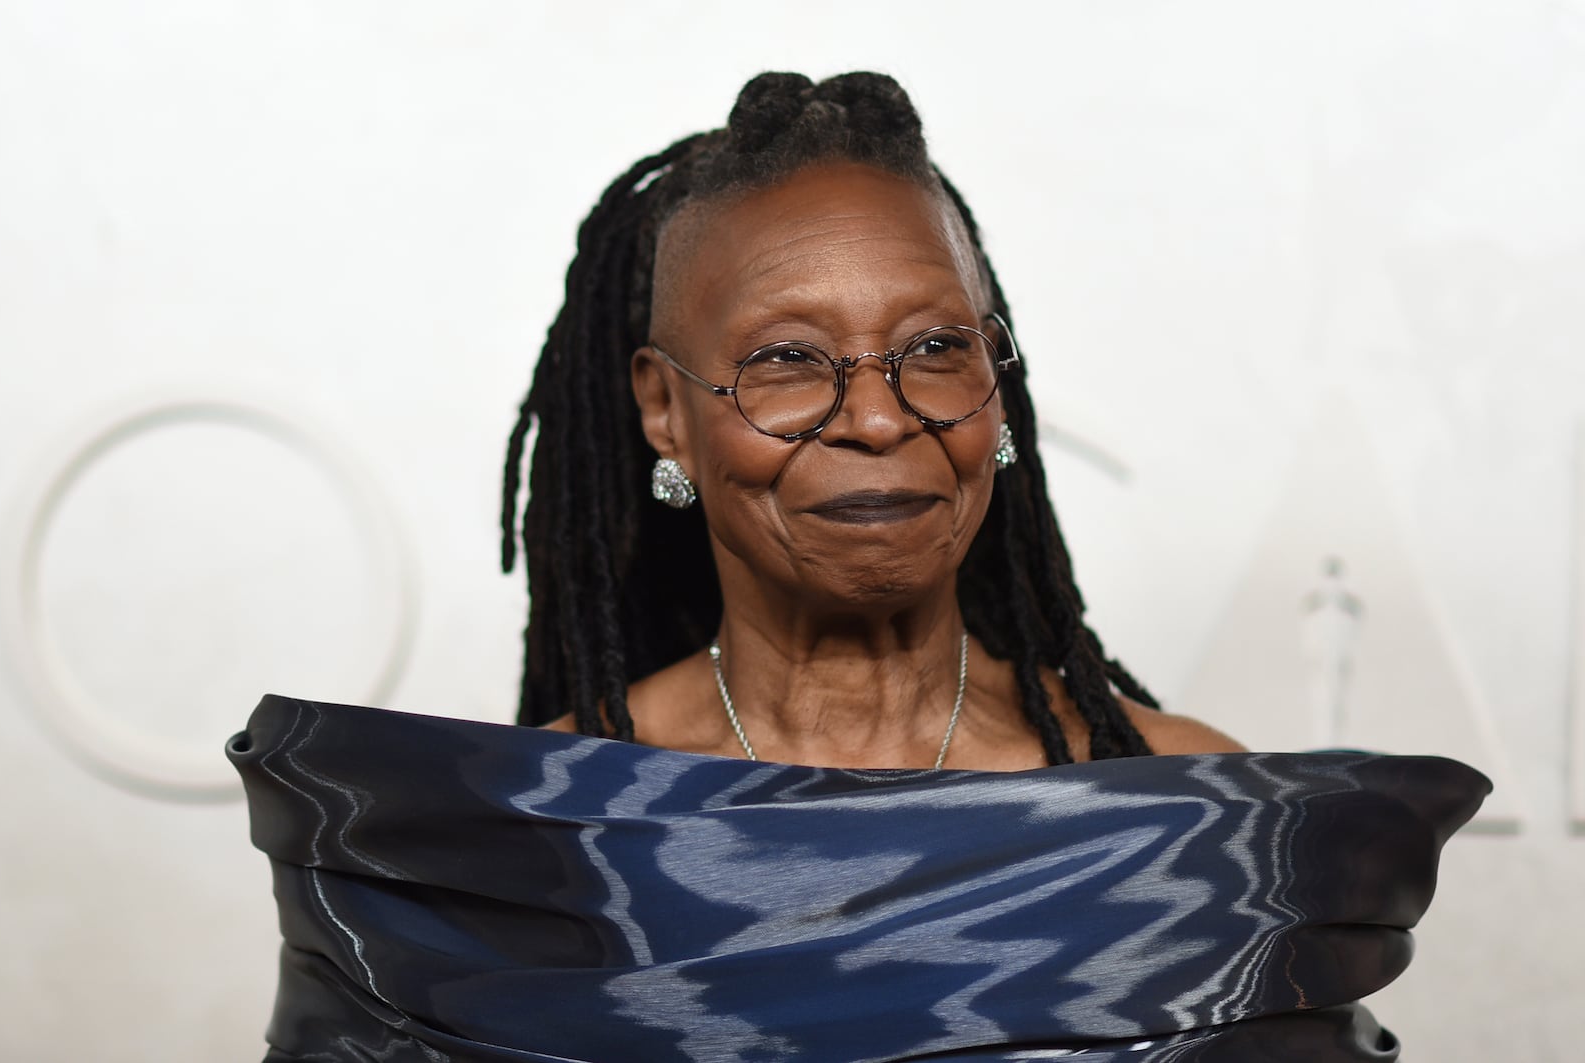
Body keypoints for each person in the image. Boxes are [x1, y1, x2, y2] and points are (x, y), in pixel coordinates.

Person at [231, 72, 1489, 1062]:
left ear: (998, 390)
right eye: (786, 358)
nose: (879, 418)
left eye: (934, 346)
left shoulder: (1201, 822)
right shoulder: (506, 857)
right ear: (665, 412)